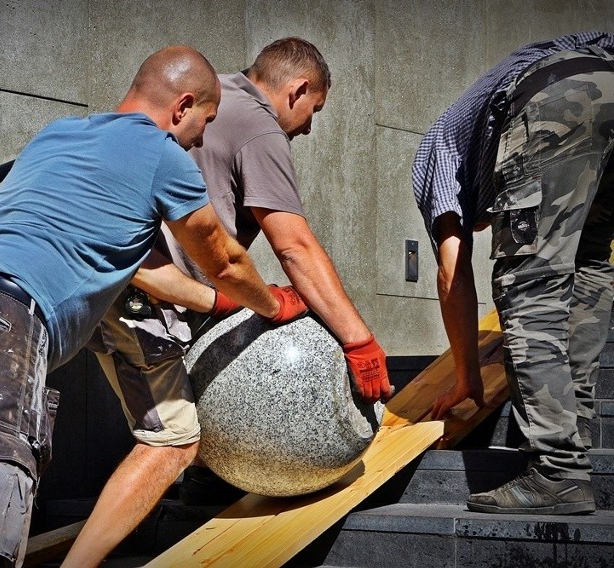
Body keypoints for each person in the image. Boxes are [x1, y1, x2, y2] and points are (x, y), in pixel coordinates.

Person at [0, 45, 310, 568]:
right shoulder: (162, 155)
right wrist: (272, 306)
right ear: (182, 107)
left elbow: (133, 264)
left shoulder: (58, 136)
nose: (200, 139)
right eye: (203, 123)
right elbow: (225, 258)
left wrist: (216, 302)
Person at [86, 37, 392, 511]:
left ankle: (207, 487)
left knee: (182, 441)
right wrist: (358, 340)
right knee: (169, 445)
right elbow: (293, 246)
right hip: (151, 300)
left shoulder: (213, 97)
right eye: (315, 109)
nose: (309, 129)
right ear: (297, 89)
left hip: (133, 290)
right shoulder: (258, 126)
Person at [413, 31, 614, 515]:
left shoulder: (434, 156)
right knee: (585, 267)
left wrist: (467, 377)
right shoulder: (475, 125)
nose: (490, 222)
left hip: (560, 103)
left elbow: (452, 273)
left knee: (529, 284)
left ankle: (557, 472)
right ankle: (573, 441)